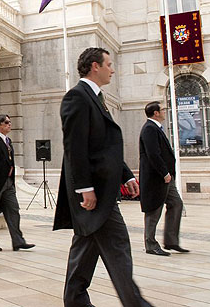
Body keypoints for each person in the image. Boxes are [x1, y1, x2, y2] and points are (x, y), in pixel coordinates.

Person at [53, 47, 152, 307]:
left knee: (86, 246)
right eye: (109, 64)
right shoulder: (77, 97)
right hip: (93, 192)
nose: (113, 70)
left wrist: (126, 175)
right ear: (94, 66)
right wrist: (84, 188)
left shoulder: (96, 98)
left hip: (101, 188)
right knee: (118, 246)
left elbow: (104, 146)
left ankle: (75, 300)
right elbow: (75, 146)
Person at [139, 101, 188, 256]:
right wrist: (164, 173)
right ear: (156, 113)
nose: (165, 111)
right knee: (154, 210)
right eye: (162, 109)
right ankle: (150, 244)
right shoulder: (149, 129)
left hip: (167, 178)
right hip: (157, 178)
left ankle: (171, 241)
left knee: (176, 203)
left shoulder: (156, 128)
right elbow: (153, 154)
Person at [0, 114, 35, 252]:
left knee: (13, 210)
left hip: (8, 183)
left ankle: (18, 241)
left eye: (9, 122)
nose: (9, 124)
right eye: (6, 122)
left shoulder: (8, 141)